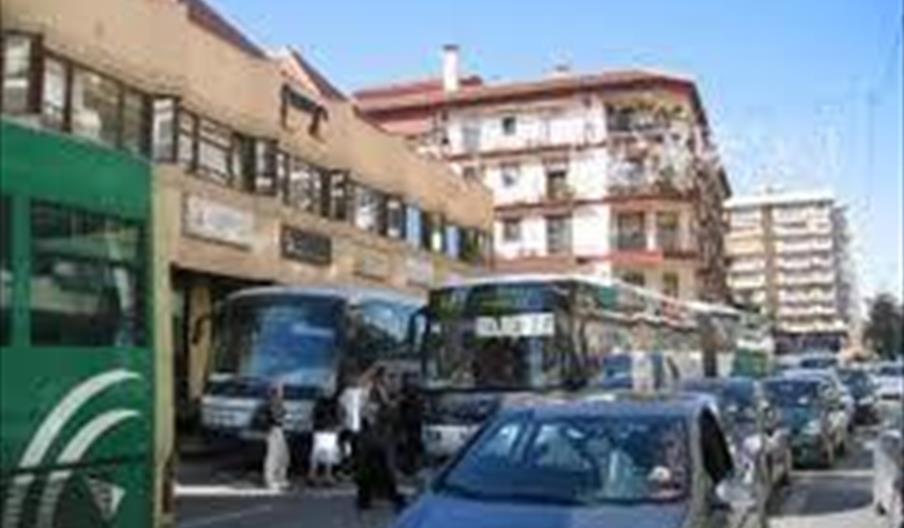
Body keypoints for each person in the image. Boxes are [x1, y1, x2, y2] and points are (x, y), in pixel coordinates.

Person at [355, 365, 405, 512]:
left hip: (378, 436)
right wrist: (392, 407)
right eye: (389, 376)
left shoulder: (379, 391)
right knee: (382, 468)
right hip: (376, 437)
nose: (391, 380)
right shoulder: (373, 391)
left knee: (376, 468)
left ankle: (369, 499)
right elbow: (371, 413)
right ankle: (384, 498)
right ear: (380, 377)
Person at [308, 389, 343, 486]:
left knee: (315, 454)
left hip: (319, 430)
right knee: (329, 455)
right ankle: (327, 476)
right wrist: (338, 426)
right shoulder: (335, 403)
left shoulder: (318, 403)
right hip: (330, 430)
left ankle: (312, 475)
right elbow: (339, 416)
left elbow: (313, 416)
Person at [263, 383, 290, 491]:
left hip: (279, 430)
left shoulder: (279, 402)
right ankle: (270, 480)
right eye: (280, 390)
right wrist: (283, 418)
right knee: (273, 456)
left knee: (284, 456)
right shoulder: (272, 403)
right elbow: (274, 418)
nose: (282, 392)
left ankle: (280, 478)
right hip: (273, 430)